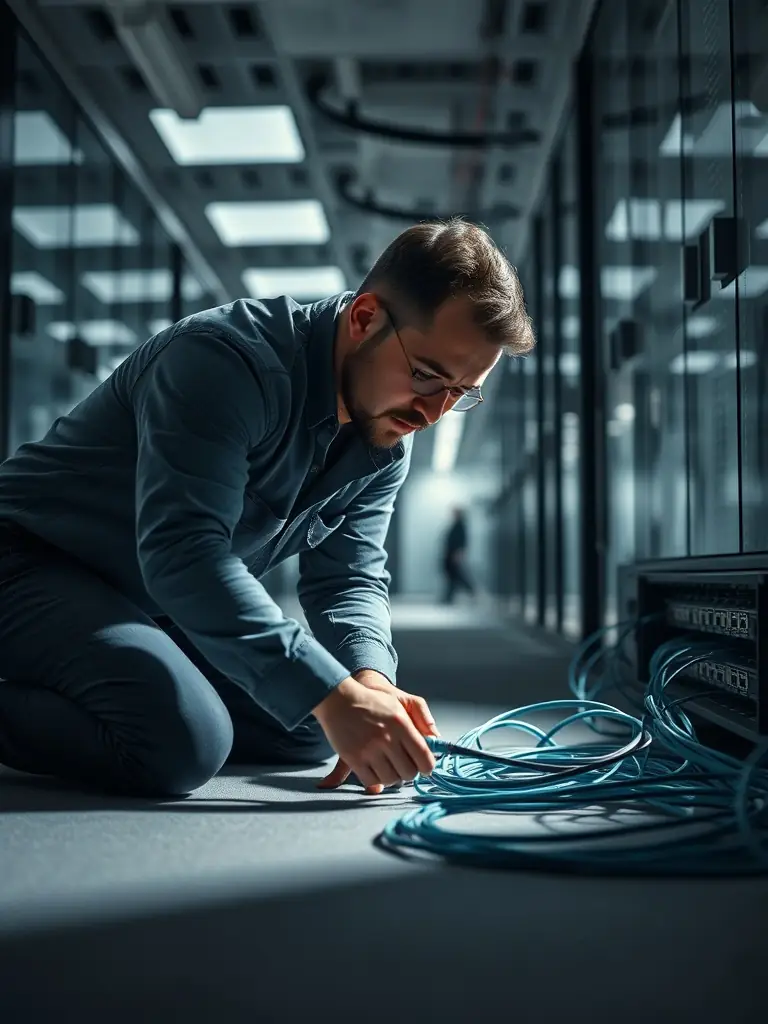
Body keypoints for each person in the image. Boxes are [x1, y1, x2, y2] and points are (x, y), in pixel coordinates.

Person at [0, 217, 535, 799]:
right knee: (182, 742)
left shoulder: (385, 439)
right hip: (30, 561)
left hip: (144, 601)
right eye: (427, 376)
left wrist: (369, 680)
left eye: (461, 393)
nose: (433, 412)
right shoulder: (221, 361)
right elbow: (186, 554)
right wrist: (330, 693)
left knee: (311, 726)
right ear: (364, 319)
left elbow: (348, 577)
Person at [441, 507, 475, 604]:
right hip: (450, 554)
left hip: (453, 554)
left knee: (456, 576)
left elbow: (462, 541)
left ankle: (470, 590)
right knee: (453, 576)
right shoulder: (456, 525)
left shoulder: (460, 526)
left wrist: (458, 553)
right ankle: (449, 596)